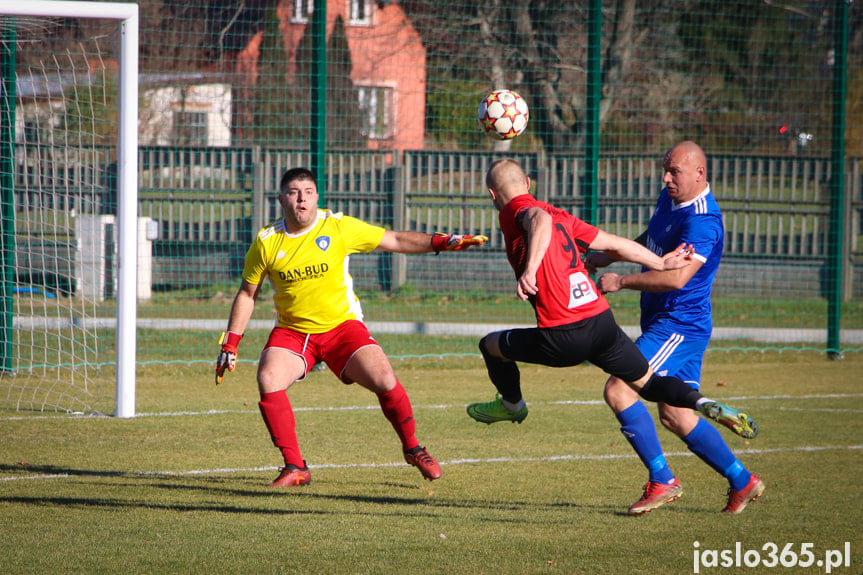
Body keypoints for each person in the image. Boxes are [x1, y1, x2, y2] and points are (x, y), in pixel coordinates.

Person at [466, 158, 758, 509]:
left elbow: (537, 221)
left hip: (576, 334)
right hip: (602, 323)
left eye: (673, 171)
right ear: (529, 181)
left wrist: (529, 270)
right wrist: (660, 260)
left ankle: (512, 405)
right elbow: (616, 243)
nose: (666, 178)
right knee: (656, 394)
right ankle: (707, 411)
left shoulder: (517, 210)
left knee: (492, 346)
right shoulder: (562, 214)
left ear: (491, 194)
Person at [216, 167, 488, 487]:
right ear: (281, 199)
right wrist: (230, 343)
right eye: (293, 192)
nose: (301, 198)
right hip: (294, 332)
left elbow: (396, 239)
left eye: (307, 191)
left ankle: (413, 448)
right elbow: (248, 294)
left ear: (317, 197)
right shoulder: (266, 242)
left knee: (385, 379)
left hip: (342, 329)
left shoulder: (339, 227)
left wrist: (441, 242)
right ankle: (295, 467)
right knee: (268, 377)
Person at [586, 141, 764, 515]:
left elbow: (677, 279)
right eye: (664, 170)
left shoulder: (703, 221)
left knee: (620, 388)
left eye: (674, 172)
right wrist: (608, 254)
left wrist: (621, 281)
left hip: (679, 325)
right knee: (675, 414)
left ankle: (663, 479)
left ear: (700, 173)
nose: (665, 179)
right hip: (666, 322)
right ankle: (742, 480)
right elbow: (653, 240)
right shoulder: (671, 198)